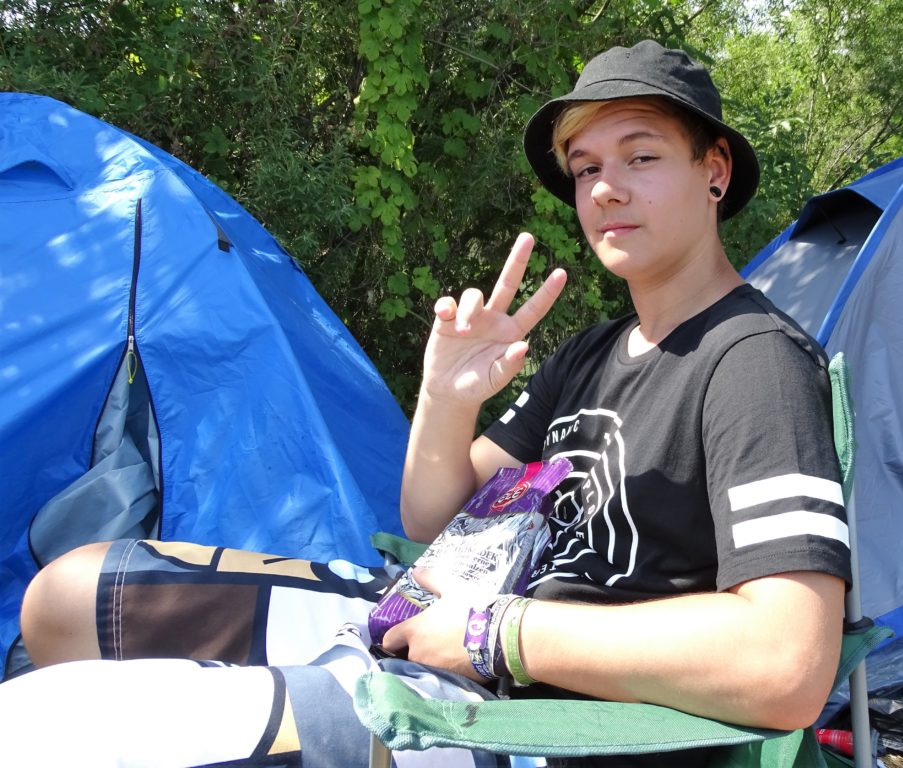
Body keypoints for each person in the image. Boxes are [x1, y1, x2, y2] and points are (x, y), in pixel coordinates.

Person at [5, 40, 849, 767]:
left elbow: (787, 664)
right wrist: (446, 399)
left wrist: (497, 634)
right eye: (587, 168)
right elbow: (439, 519)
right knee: (69, 596)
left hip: (535, 716)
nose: (604, 190)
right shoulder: (592, 354)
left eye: (641, 157)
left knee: (41, 730)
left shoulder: (753, 363)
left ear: (714, 170)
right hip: (437, 618)